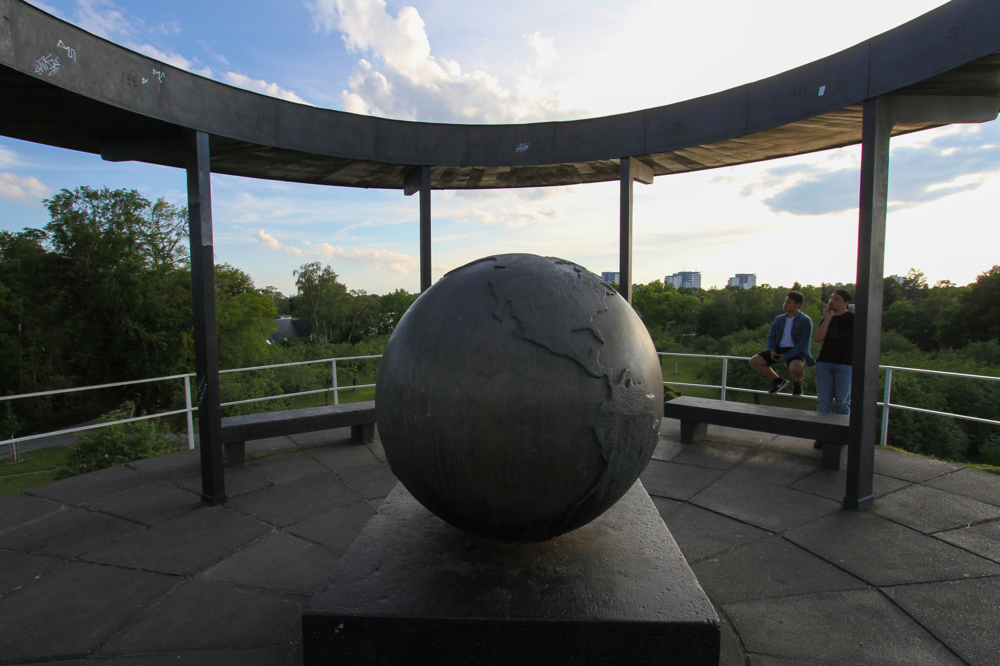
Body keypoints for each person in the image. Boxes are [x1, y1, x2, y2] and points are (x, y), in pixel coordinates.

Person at [750, 291, 815, 395]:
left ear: (798, 305)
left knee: (796, 369)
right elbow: (771, 336)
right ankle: (778, 381)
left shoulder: (805, 320)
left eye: (789, 302)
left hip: (796, 349)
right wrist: (771, 350)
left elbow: (803, 344)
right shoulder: (779, 319)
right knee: (754, 361)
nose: (785, 304)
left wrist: (786, 356)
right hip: (779, 348)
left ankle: (797, 384)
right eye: (785, 301)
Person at [813, 288, 854, 414]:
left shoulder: (853, 318)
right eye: (831, 298)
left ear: (845, 303)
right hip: (824, 362)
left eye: (836, 299)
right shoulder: (827, 318)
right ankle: (823, 430)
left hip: (845, 363)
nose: (831, 301)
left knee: (842, 402)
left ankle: (841, 431)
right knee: (823, 401)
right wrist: (828, 318)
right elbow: (818, 338)